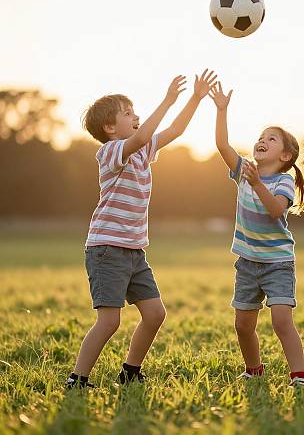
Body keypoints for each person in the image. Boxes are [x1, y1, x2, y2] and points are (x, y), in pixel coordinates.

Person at [67, 69, 217, 388]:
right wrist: (167, 99)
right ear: (110, 128)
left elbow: (174, 130)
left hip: (134, 251)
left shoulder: (141, 153)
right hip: (107, 249)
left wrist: (194, 98)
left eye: (135, 111)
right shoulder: (109, 152)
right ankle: (77, 379)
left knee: (155, 314)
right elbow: (141, 137)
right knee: (109, 321)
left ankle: (130, 372)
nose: (135, 115)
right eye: (127, 112)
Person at [210, 81, 304, 386]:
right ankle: (254, 369)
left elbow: (274, 211)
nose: (262, 141)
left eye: (271, 139)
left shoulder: (282, 181)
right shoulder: (244, 170)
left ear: (286, 156)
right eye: (260, 137)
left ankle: (298, 374)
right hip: (247, 263)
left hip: (277, 263)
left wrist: (257, 184)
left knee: (281, 320)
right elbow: (222, 145)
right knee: (243, 325)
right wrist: (221, 110)